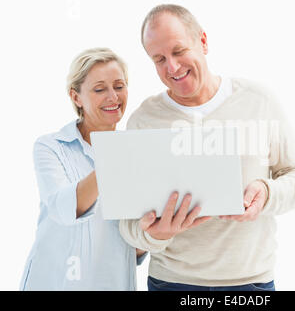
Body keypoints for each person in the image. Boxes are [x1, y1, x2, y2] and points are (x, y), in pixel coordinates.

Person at [119, 4, 295, 291]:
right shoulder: (144, 120)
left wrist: (267, 192)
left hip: (250, 283)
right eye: (159, 59)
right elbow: (127, 224)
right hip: (172, 282)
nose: (171, 67)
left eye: (178, 51)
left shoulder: (257, 101)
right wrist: (155, 235)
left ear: (203, 41)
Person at [20, 47, 208, 290]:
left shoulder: (139, 151)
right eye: (99, 89)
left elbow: (135, 246)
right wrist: (117, 156)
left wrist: (158, 232)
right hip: (54, 282)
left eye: (119, 87)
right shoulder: (51, 146)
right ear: (76, 97)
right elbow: (62, 208)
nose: (113, 97)